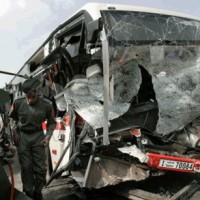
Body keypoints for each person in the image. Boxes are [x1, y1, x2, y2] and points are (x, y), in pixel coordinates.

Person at [9, 78, 56, 200]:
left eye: (31, 97)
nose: (29, 100)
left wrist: (48, 137)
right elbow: (12, 118)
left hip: (38, 137)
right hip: (23, 137)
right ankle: (28, 193)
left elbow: (52, 123)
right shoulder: (18, 102)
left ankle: (38, 192)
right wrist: (15, 131)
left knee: (40, 168)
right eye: (27, 97)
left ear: (37, 91)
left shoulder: (47, 104)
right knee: (26, 167)